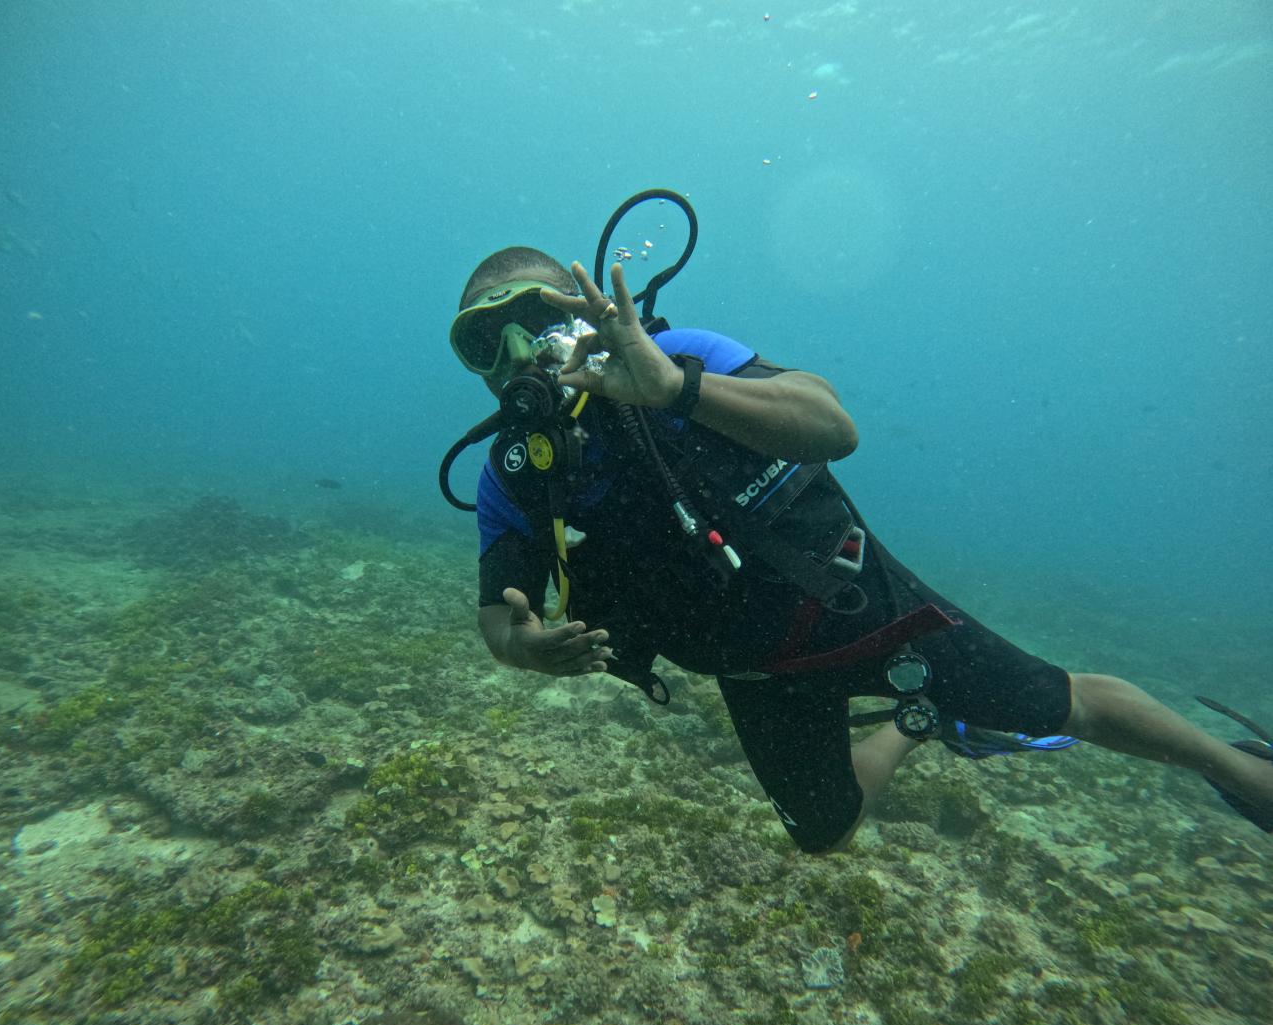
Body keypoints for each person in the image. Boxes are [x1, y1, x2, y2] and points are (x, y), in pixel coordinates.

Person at [448, 245, 1273, 852]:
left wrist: (674, 389)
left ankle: (1242, 773)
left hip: (862, 607)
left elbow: (831, 425)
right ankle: (917, 725)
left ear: (586, 312)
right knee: (828, 832)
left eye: (540, 320)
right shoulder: (513, 476)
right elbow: (500, 623)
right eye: (485, 343)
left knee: (1068, 704)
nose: (517, 356)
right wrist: (528, 651)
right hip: (750, 671)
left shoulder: (677, 353)